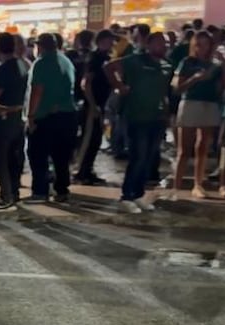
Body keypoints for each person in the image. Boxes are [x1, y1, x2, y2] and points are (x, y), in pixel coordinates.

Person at [107, 31, 172, 214]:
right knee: (138, 157)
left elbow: (164, 91)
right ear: (149, 44)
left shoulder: (167, 65)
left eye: (166, 43)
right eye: (159, 43)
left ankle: (138, 194)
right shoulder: (135, 60)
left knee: (149, 158)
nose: (164, 46)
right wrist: (120, 86)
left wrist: (166, 114)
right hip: (136, 116)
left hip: (156, 117)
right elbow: (110, 67)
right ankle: (127, 195)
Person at [170, 31, 225, 199]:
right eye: (198, 44)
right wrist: (195, 78)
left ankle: (198, 184)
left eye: (206, 44)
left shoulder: (214, 65)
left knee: (203, 146)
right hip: (190, 103)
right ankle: (177, 186)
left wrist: (224, 65)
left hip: (209, 104)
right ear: (194, 46)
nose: (202, 48)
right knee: (184, 149)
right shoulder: (187, 62)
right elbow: (177, 87)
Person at [25, 33, 76, 204]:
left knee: (38, 155)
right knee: (61, 157)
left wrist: (31, 116)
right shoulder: (66, 61)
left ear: (40, 46)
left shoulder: (41, 63)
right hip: (67, 115)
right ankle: (62, 191)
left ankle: (40, 191)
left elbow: (37, 91)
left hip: (46, 116)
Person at [0, 32, 31, 211]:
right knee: (15, 157)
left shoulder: (2, 70)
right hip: (19, 118)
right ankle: (14, 193)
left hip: (3, 119)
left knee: (1, 159)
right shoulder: (23, 65)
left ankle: (6, 196)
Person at [75, 29, 115, 185]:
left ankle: (88, 170)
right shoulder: (94, 58)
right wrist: (92, 104)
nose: (111, 43)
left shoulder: (106, 58)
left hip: (101, 104)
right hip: (93, 106)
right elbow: (86, 83)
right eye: (108, 40)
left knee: (96, 139)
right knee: (89, 139)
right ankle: (81, 171)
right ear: (100, 41)